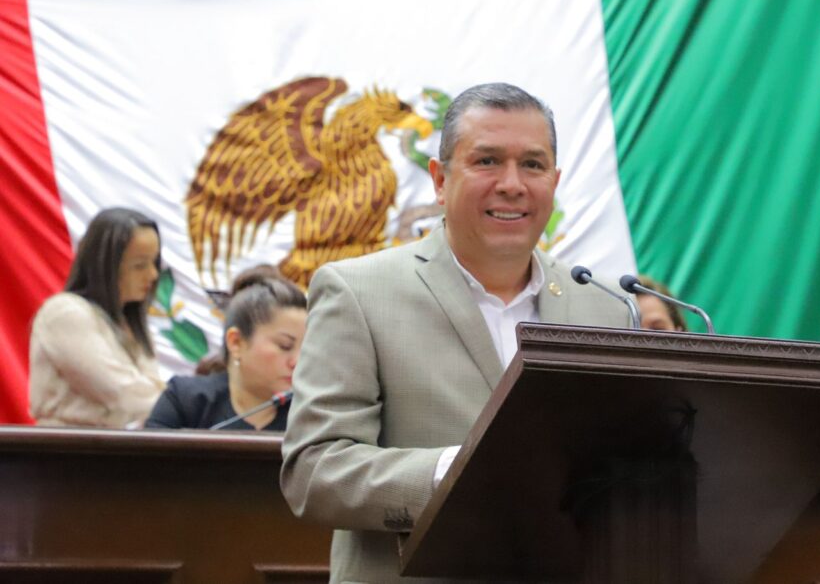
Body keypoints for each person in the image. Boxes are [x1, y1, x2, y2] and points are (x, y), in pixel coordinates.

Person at [281, 82, 632, 583]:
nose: (512, 184)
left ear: (554, 182)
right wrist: (454, 472)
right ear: (440, 180)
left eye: (532, 165)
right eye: (487, 161)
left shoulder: (606, 307)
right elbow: (315, 472)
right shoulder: (358, 292)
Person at [29, 207, 165, 428]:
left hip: (113, 443)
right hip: (63, 445)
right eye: (140, 265)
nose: (153, 274)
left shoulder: (130, 322)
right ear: (105, 265)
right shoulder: (65, 313)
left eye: (154, 262)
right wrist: (184, 404)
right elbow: (122, 393)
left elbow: (150, 392)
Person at [145, 269, 306, 431]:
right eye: (285, 346)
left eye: (305, 349)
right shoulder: (184, 400)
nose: (297, 362)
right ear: (236, 342)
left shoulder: (307, 415)